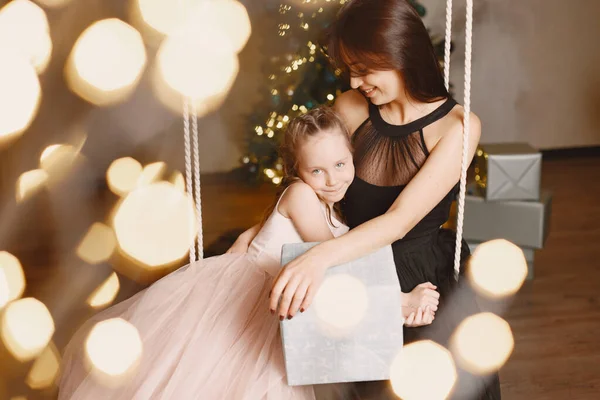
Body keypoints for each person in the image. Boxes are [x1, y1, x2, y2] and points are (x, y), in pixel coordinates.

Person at [58, 106, 433, 400]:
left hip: (279, 301)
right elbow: (335, 263)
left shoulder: (327, 207)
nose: (333, 179)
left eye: (340, 164)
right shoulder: (302, 196)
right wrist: (397, 302)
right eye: (317, 170)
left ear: (352, 156)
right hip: (250, 299)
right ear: (298, 172)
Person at [235, 0, 502, 398]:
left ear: (400, 54)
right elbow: (312, 182)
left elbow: (400, 220)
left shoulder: (457, 126)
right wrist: (259, 232)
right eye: (350, 71)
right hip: (349, 264)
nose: (356, 81)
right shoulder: (350, 108)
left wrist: (319, 258)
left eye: (364, 69)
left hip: (416, 276)